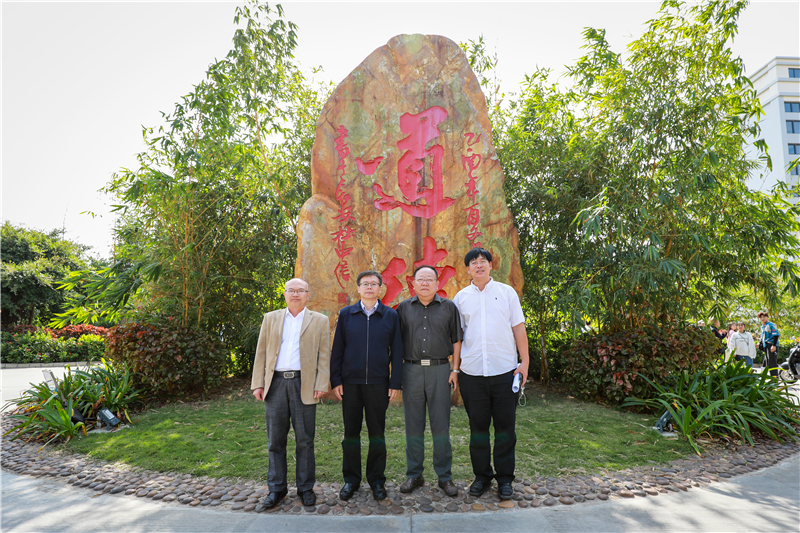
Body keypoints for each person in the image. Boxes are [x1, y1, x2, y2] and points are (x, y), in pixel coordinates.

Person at [452, 248, 529, 500]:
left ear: (490, 266)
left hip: (504, 372)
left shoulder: (507, 293)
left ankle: (505, 479)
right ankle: (482, 477)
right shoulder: (460, 298)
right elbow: (457, 338)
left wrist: (525, 362)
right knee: (478, 429)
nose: (479, 265)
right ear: (468, 269)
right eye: (474, 262)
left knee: (505, 429)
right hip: (472, 374)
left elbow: (518, 328)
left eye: (483, 261)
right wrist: (456, 369)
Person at [251, 278, 331, 509]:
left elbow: (324, 355)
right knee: (275, 440)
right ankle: (276, 489)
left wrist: (321, 382)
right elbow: (261, 351)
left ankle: (305, 488)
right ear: (285, 294)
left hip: (303, 384)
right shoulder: (271, 318)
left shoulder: (319, 320)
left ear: (308, 294)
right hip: (275, 384)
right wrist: (258, 383)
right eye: (291, 290)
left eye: (300, 290)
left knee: (305, 440)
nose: (295, 294)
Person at [330, 270, 403, 502]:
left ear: (381, 288)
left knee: (377, 434)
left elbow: (397, 351)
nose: (369, 287)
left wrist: (395, 382)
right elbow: (338, 349)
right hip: (350, 384)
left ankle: (376, 480)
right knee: (351, 434)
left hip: (378, 384)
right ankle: (351, 480)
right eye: (365, 284)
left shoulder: (390, 315)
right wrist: (336, 379)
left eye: (374, 284)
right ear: (358, 288)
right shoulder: (346, 314)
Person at [395, 265, 463, 497]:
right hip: (411, 370)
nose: (425, 283)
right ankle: (414, 474)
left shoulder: (449, 307)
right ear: (413, 283)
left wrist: (455, 370)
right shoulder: (404, 308)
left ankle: (445, 476)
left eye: (429, 279)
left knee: (440, 425)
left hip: (440, 370)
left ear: (437, 283)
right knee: (413, 425)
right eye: (420, 279)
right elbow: (396, 342)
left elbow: (457, 340)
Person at [758, 311, 780, 376]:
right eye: (761, 317)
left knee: (772, 363)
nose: (762, 318)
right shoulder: (763, 326)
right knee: (766, 362)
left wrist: (774, 345)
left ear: (767, 317)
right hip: (766, 345)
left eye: (764, 317)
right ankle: (763, 377)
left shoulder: (771, 325)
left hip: (771, 344)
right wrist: (759, 343)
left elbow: (776, 335)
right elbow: (762, 336)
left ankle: (774, 378)